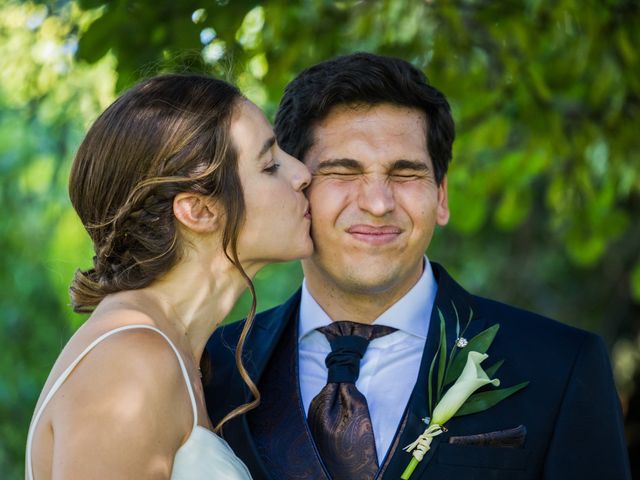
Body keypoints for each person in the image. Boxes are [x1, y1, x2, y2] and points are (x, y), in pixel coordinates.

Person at [204, 53, 631, 479]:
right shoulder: (213, 365)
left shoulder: (562, 365)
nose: (377, 203)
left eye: (405, 174)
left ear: (441, 196)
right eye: (344, 172)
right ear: (297, 188)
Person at [25, 74, 313, 479]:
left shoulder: (177, 354)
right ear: (197, 210)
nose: (302, 174)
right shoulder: (130, 365)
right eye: (270, 165)